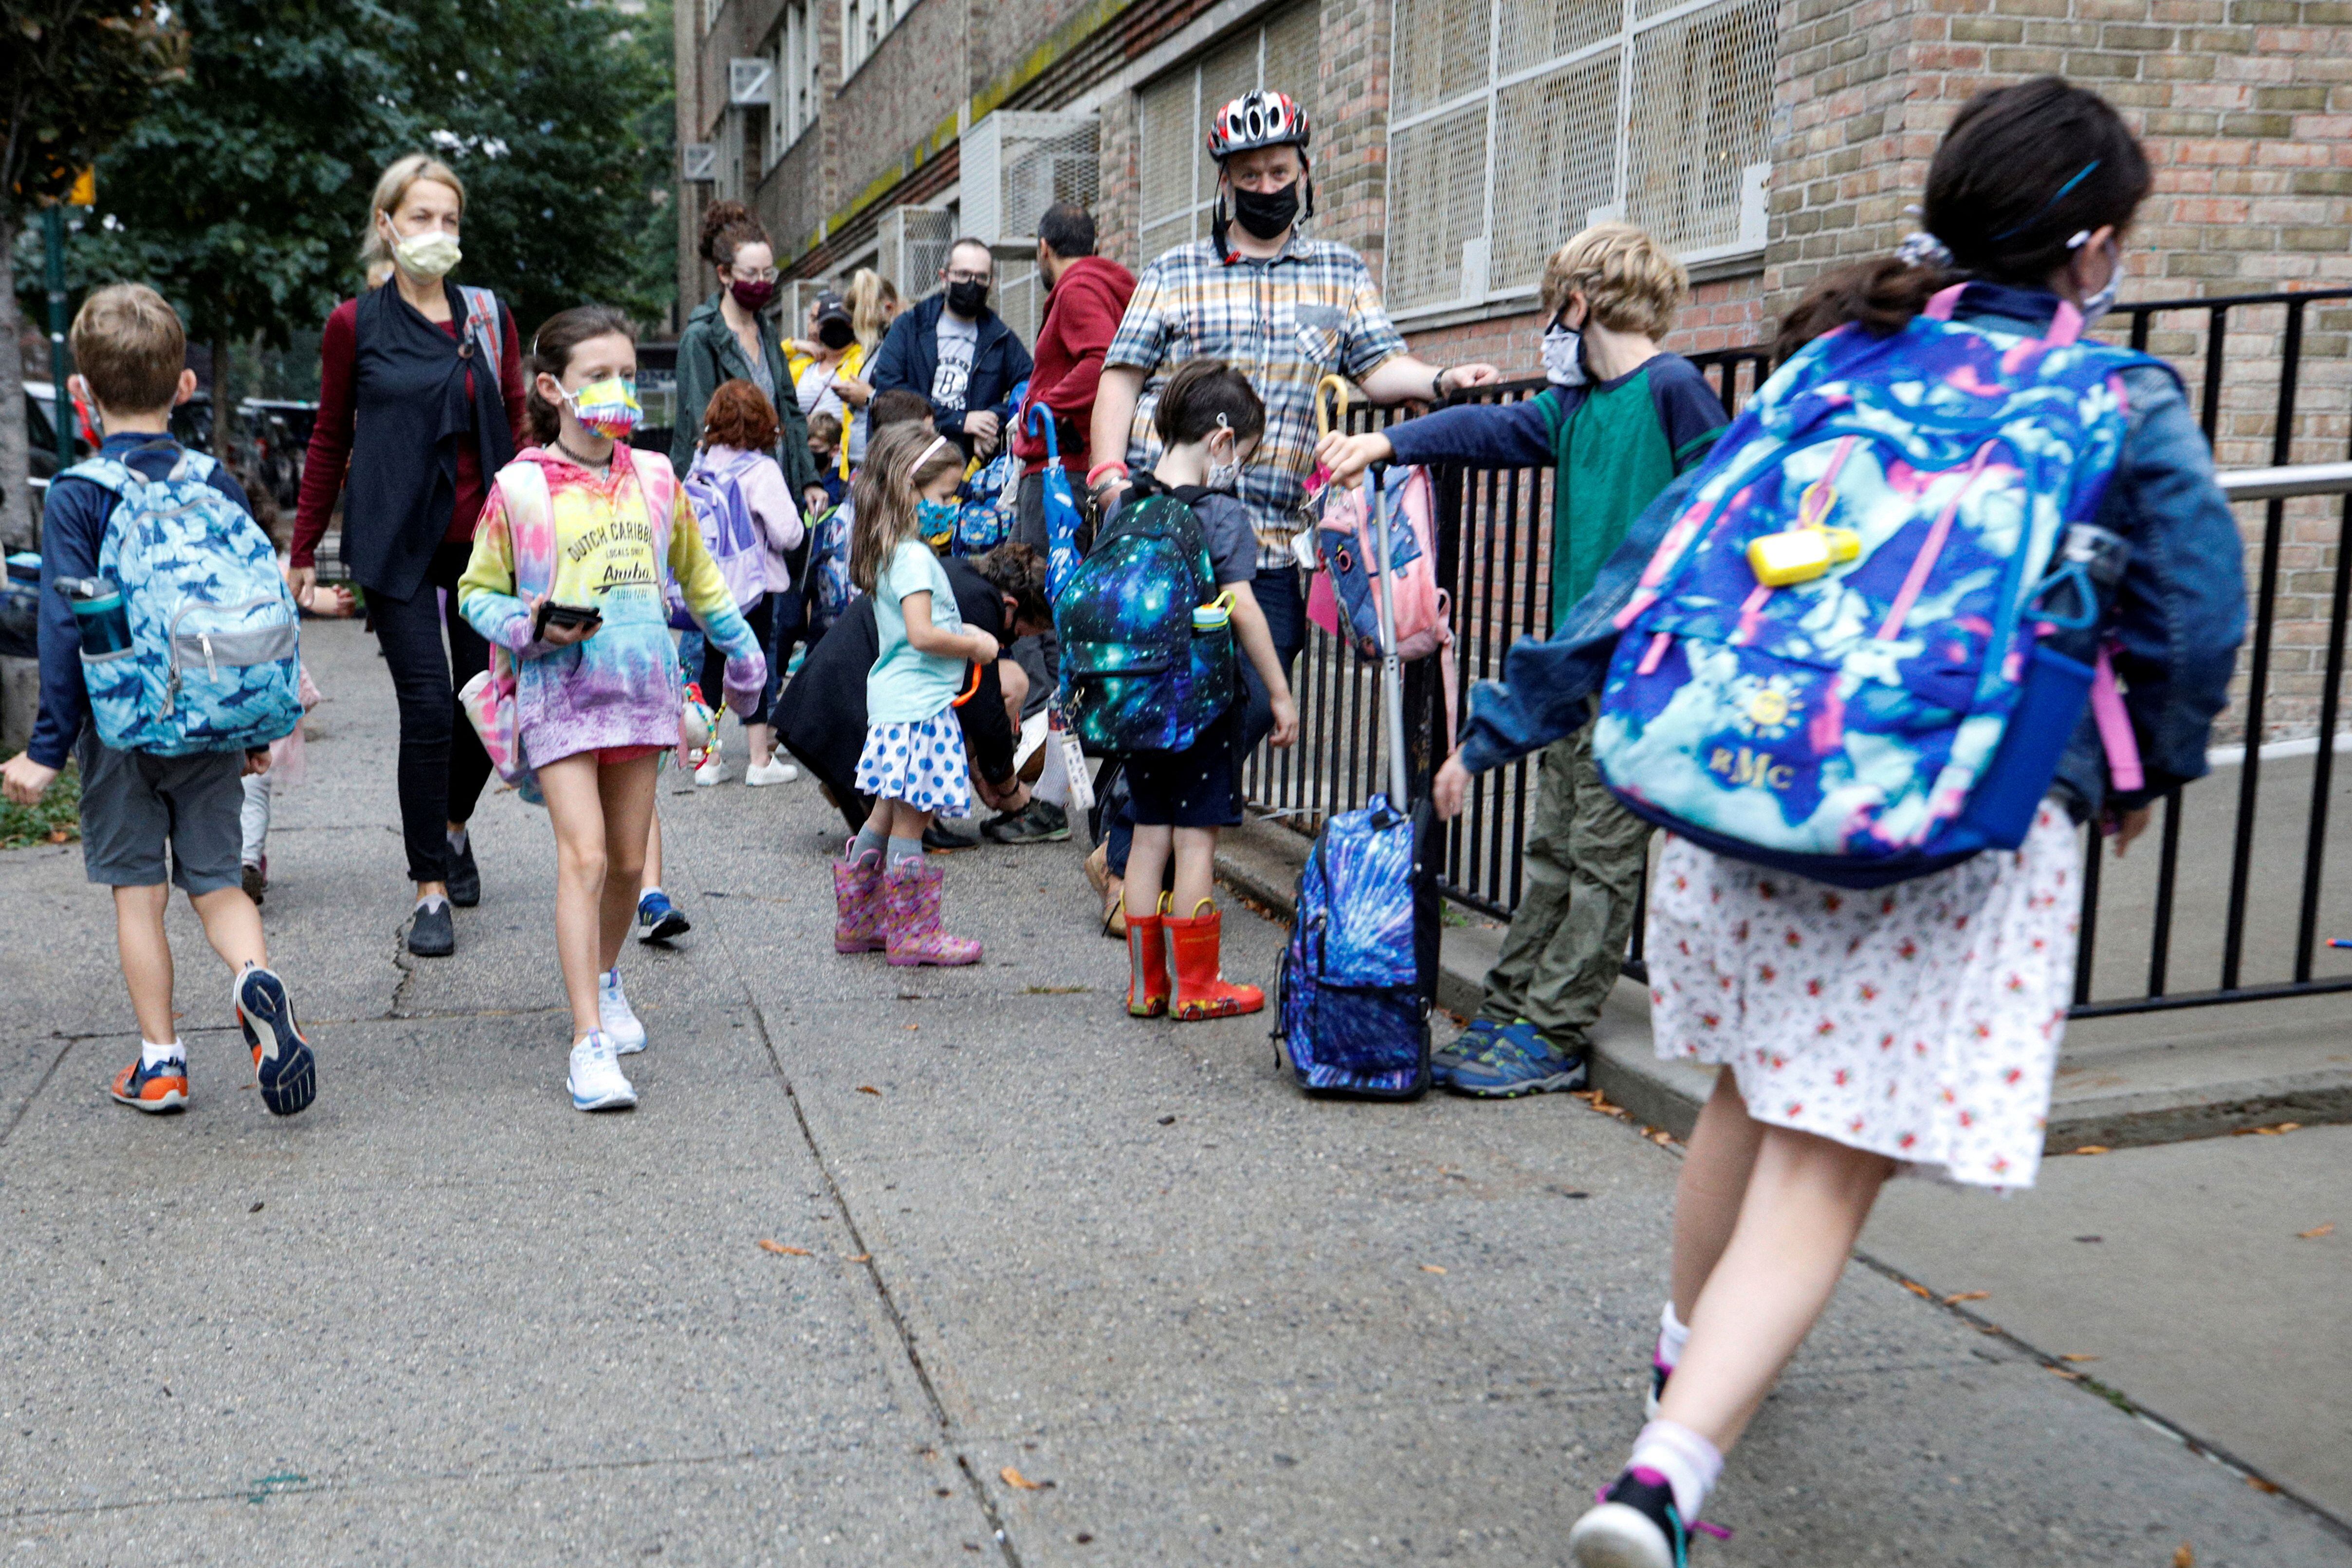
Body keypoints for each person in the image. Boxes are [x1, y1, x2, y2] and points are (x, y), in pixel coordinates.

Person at [1426, 81, 2245, 1564]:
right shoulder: (2113, 400)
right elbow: (2190, 619)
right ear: (2093, 245)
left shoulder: (1834, 357)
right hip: (1933, 817)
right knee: (1823, 1152)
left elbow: (1665, 548)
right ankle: (1662, 1474)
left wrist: (1513, 712)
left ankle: (1688, 1350)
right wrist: (2136, 770)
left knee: (1749, 1092)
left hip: (1746, 781)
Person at [1314, 221, 1728, 1098]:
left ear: (1577, 304)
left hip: (1643, 678)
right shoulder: (1576, 409)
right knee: (1551, 845)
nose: (1548, 330)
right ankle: (1513, 1004)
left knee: (1602, 860)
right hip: (1576, 678)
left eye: (1550, 310)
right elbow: (1483, 432)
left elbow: (1723, 513)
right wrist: (1386, 444)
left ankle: (1558, 1026)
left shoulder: (1677, 391)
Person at [1086, 89, 1498, 933]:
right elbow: (1120, 377)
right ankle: (1128, 862)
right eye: (1250, 174)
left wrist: (1443, 382)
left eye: (1279, 169)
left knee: (1241, 700)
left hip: (1274, 534)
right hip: (1172, 531)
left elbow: (1381, 368)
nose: (1267, 183)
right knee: (1164, 693)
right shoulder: (1174, 272)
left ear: (1303, 171)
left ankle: (1132, 829)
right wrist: (1105, 475)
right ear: (1226, 182)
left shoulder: (1339, 272)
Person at [2, 284, 318, 1120]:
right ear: (184, 386)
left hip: (121, 731)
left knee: (137, 893)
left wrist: (44, 748)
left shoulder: (78, 492)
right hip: (214, 718)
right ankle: (256, 982)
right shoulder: (216, 479)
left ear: (82, 394)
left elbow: (65, 629)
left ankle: (161, 1064)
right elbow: (247, 608)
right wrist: (258, 719)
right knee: (219, 885)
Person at [458, 306, 766, 1113]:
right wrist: (529, 625)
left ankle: (603, 971)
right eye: (599, 375)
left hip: (643, 695)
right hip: (558, 691)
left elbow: (697, 578)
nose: (617, 389)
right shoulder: (519, 487)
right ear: (555, 387)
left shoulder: (659, 478)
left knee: (631, 865)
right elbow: (475, 592)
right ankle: (587, 1040)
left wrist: (740, 646)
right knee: (585, 858)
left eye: (627, 373)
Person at [288, 153, 528, 957]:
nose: (437, 233)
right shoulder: (354, 323)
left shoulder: (488, 318)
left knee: (482, 706)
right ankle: (429, 887)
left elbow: (521, 428)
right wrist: (302, 550)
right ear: (386, 224)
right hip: (395, 538)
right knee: (427, 705)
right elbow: (329, 438)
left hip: (482, 543)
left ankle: (453, 824)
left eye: (450, 220)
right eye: (421, 218)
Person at [1107, 361, 1300, 1020]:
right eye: (1241, 455)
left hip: (1135, 706)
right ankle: (1196, 987)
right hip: (1202, 707)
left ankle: (1145, 985)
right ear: (1221, 441)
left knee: (1147, 835)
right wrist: (1279, 691)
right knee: (1195, 842)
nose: (1238, 468)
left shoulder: (1125, 505)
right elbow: (1243, 608)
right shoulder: (1219, 513)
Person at [988, 202, 1139, 848]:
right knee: (1066, 631)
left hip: (1060, 473)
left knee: (1041, 622)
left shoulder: (1078, 289)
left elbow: (1101, 360)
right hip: (1070, 470)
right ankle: (1052, 790)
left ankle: (1043, 794)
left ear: (1044, 248)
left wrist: (1041, 406)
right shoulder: (1105, 285)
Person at [830, 424, 1001, 966]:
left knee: (883, 813)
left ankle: (859, 922)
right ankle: (913, 933)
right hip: (921, 709)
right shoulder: (913, 557)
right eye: (944, 496)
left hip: (894, 706)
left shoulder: (887, 550)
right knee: (913, 820)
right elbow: (922, 632)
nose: (949, 507)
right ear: (910, 489)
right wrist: (974, 643)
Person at [773, 543, 1051, 835]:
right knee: (903, 831)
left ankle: (859, 794)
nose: (1010, 644)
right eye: (1018, 633)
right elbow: (984, 703)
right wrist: (1008, 787)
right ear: (1011, 606)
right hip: (846, 718)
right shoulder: (981, 601)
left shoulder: (959, 571)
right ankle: (895, 804)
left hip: (822, 706)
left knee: (1011, 680)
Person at [683, 378, 805, 788]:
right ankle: (759, 759)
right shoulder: (761, 469)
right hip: (752, 588)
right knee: (755, 664)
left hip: (706, 585)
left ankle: (709, 759)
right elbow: (789, 533)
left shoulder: (701, 462)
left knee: (713, 663)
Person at [672, 201, 826, 517]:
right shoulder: (701, 338)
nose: (762, 283)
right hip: (728, 497)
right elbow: (702, 428)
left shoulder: (767, 332)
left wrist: (809, 479)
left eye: (768, 273)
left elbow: (791, 414)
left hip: (778, 486)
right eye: (751, 273)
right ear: (725, 274)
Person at [869, 239, 1034, 464]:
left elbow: (1033, 388)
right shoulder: (910, 326)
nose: (972, 284)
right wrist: (960, 421)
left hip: (967, 466)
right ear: (944, 277)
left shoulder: (1001, 338)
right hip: (907, 457)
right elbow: (889, 391)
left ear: (991, 283)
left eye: (981, 277)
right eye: (963, 275)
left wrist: (992, 421)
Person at [785, 290, 873, 473]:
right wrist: (793, 346)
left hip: (843, 466)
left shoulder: (862, 360)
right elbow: (766, 364)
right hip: (801, 465)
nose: (835, 329)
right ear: (819, 327)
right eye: (829, 324)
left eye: (841, 323)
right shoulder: (801, 367)